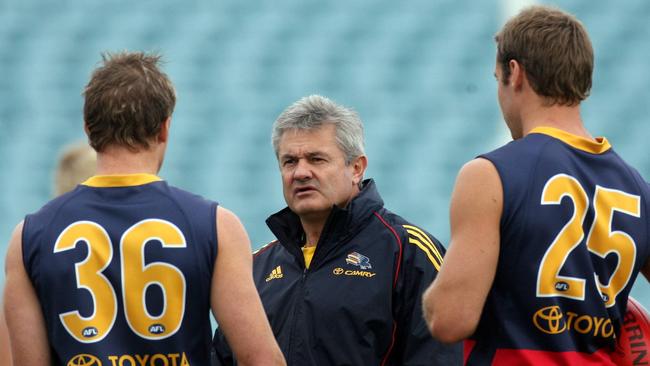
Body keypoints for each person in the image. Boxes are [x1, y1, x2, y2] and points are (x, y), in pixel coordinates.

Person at [3, 51, 285, 366]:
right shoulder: (215, 225)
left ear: (88, 129)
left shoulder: (28, 238)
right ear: (164, 128)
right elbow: (262, 359)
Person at [423, 5, 650, 365]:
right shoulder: (637, 188)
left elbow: (450, 320)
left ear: (515, 73)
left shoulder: (489, 174)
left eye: (497, 78)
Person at [213, 95, 461, 365]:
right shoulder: (256, 266)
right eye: (289, 162)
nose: (301, 172)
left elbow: (440, 356)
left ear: (356, 168)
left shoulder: (409, 252)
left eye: (316, 159)